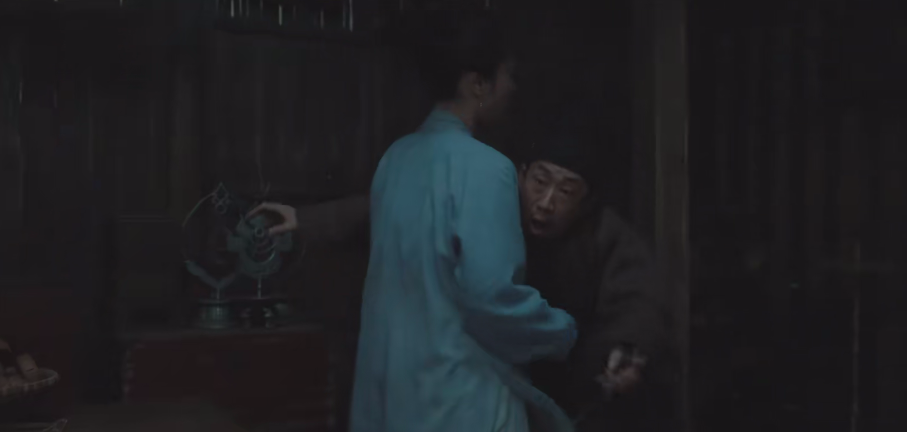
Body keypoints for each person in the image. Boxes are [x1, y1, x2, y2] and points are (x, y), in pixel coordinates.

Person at [252, 11, 578, 432]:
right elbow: (492, 297)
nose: (512, 88)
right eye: (507, 76)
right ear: (477, 84)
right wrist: (562, 331)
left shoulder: (397, 158)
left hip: (395, 400)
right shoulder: (487, 168)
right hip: (459, 402)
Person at [517, 109, 676, 432]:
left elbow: (638, 302)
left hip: (581, 389)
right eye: (540, 182)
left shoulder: (607, 235)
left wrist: (626, 349)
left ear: (586, 200)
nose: (545, 203)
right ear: (521, 175)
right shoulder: (496, 219)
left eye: (565, 192)